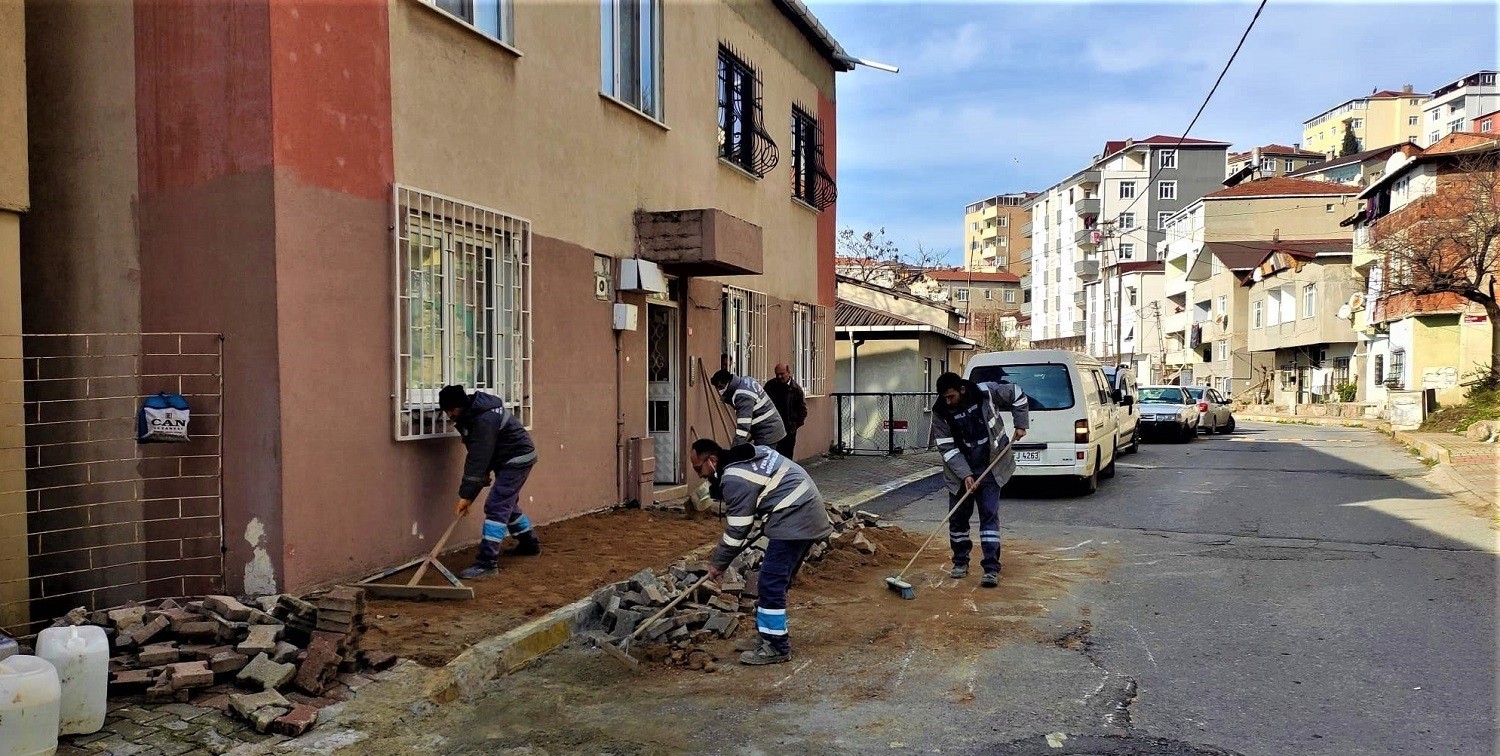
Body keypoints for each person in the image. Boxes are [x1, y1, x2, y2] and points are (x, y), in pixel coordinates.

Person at [689, 438, 831, 665]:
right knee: (776, 581)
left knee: (770, 582)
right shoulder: (751, 456)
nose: (700, 475)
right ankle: (767, 635)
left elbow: (737, 529)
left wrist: (718, 564)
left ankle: (776, 646)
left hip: (795, 518)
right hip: (804, 513)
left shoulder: (734, 478)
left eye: (699, 468)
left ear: (712, 460)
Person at [931, 372, 1029, 588]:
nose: (948, 401)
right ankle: (960, 562)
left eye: (951, 396)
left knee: (989, 517)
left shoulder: (985, 392)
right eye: (944, 397)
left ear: (962, 390)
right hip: (959, 472)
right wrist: (966, 474)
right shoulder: (940, 412)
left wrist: (1021, 423)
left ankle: (991, 568)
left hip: (990, 466)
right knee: (958, 520)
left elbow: (1017, 393)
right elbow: (947, 448)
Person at [439, 385, 540, 579]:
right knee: (506, 503)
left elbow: (478, 457)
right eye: (446, 410)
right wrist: (478, 480)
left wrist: (466, 496)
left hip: (517, 458)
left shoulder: (483, 419)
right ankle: (529, 544)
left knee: (496, 505)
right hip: (507, 457)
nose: (449, 414)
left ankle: (487, 563)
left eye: (452, 409)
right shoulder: (471, 415)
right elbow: (481, 454)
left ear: (461, 405)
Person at [711, 369, 787, 447]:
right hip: (770, 427)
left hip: (768, 432)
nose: (720, 391)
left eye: (720, 387)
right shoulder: (745, 381)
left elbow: (743, 427)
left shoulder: (743, 396)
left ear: (727, 383)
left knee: (764, 458)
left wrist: (734, 450)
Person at [764, 363, 807, 459]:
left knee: (786, 457)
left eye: (782, 374)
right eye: (777, 374)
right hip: (772, 428)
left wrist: (794, 426)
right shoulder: (770, 386)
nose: (779, 377)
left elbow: (802, 410)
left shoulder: (796, 390)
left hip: (788, 430)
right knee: (771, 457)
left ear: (788, 372)